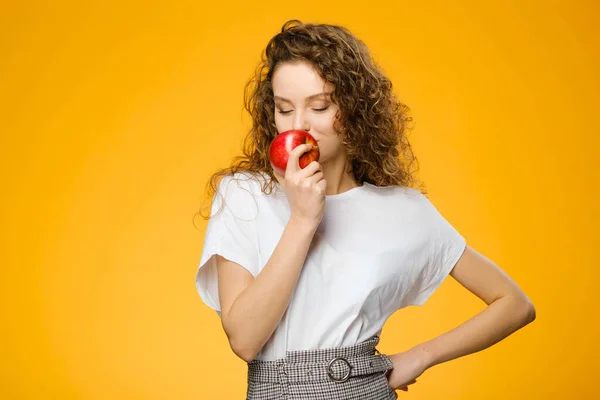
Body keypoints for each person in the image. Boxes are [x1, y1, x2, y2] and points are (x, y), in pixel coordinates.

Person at [194, 20, 536, 400]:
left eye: (319, 106)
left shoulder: (402, 211)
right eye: (284, 109)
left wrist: (421, 355)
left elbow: (515, 304)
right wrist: (303, 219)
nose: (299, 125)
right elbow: (244, 339)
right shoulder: (245, 195)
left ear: (354, 110)